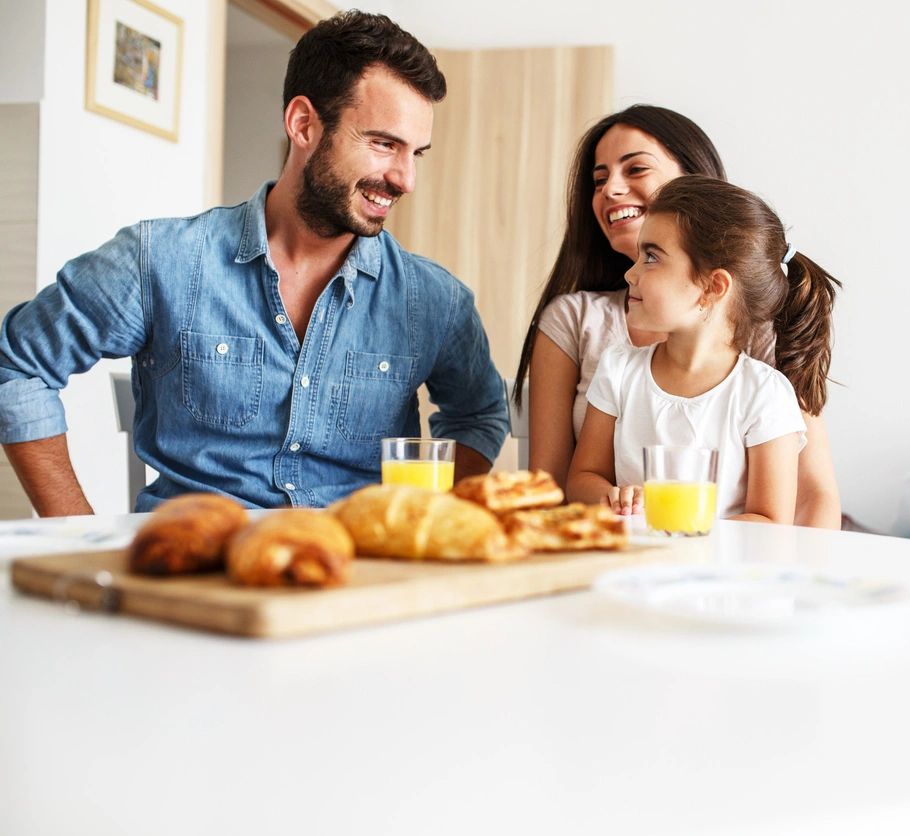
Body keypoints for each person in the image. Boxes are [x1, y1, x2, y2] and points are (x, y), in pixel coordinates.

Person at [0, 11, 508, 515]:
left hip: (355, 575)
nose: (405, 179)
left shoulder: (435, 300)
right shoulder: (160, 261)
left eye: (417, 153)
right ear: (303, 123)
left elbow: (479, 412)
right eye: (382, 144)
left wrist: (426, 524)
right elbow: (16, 365)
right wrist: (76, 535)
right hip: (195, 571)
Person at [512, 105, 843, 528]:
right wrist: (614, 502)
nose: (610, 189)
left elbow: (803, 503)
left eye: (635, 169)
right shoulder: (595, 342)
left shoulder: (764, 369)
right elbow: (564, 485)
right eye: (598, 179)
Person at [567, 175, 839, 523]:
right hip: (634, 569)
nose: (630, 274)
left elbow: (769, 521)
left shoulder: (764, 394)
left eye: (651, 257)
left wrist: (684, 525)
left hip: (721, 574)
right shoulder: (618, 370)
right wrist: (612, 497)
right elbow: (581, 479)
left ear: (713, 287)